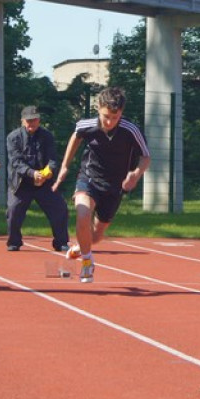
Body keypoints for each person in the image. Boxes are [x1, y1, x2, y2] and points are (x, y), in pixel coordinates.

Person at [53, 87, 150, 284]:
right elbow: (76, 137)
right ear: (98, 108)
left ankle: (82, 247)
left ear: (121, 113)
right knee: (82, 213)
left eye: (115, 117)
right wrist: (64, 167)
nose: (109, 122)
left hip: (115, 185)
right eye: (106, 116)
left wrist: (136, 174)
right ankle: (87, 263)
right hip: (89, 178)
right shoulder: (87, 125)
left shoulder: (130, 130)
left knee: (96, 236)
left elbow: (145, 157)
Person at [5, 105, 70, 252]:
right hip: (21, 183)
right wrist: (32, 173)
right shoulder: (13, 137)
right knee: (13, 210)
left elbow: (53, 159)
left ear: (39, 120)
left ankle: (61, 242)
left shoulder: (47, 136)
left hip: (44, 183)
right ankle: (14, 242)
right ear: (22, 121)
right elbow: (16, 162)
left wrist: (48, 172)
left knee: (60, 208)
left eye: (34, 120)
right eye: (28, 121)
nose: (31, 124)